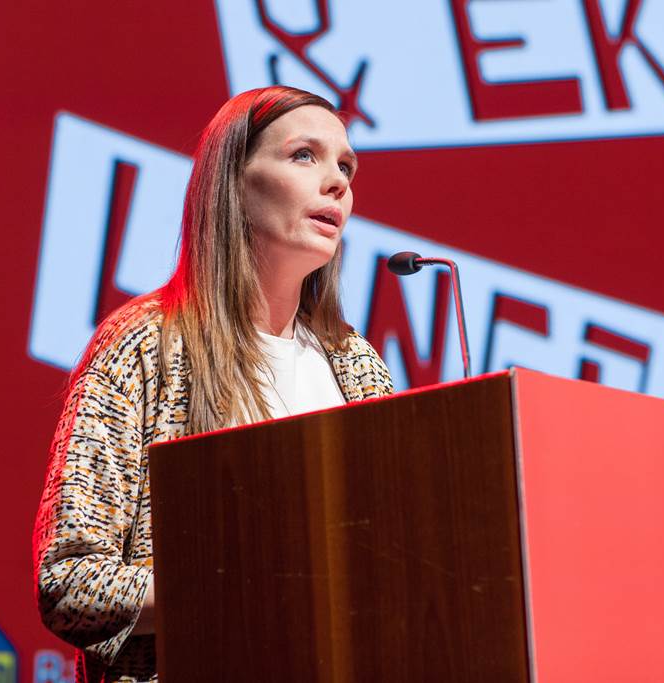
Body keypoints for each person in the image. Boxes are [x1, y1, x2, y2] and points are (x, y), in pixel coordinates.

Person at [32, 85, 394, 683]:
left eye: (346, 166)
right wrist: (249, 584)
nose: (337, 182)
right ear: (233, 183)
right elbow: (71, 584)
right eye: (305, 155)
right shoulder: (146, 344)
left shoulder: (356, 365)